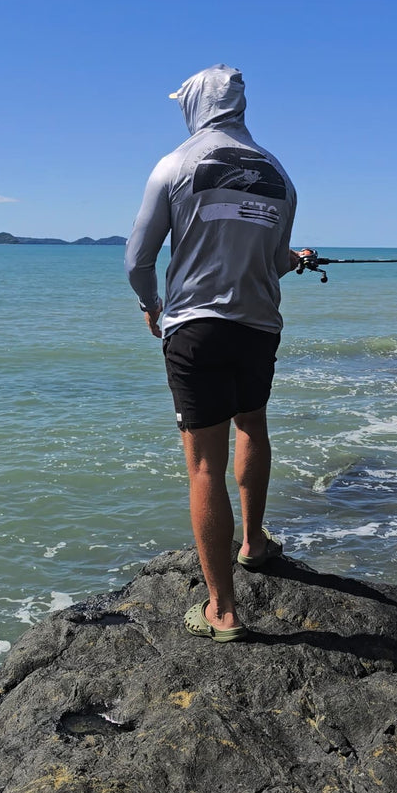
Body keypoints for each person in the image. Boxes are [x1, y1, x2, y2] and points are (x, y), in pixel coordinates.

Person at [125, 64, 299, 642]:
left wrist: (152, 304)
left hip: (197, 328)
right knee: (253, 422)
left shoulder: (174, 165)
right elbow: (275, 262)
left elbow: (138, 260)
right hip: (258, 327)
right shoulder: (278, 173)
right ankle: (253, 543)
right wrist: (294, 258)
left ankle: (221, 611)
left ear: (197, 103)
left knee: (204, 464)